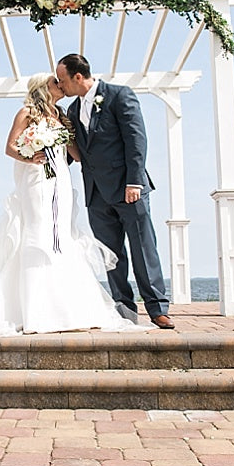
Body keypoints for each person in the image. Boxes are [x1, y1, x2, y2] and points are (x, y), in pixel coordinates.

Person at [0, 73, 143, 336]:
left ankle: (70, 306)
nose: (61, 85)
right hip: (37, 180)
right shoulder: (25, 113)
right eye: (54, 83)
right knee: (39, 233)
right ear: (42, 88)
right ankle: (35, 309)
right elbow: (10, 148)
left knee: (62, 235)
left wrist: (73, 140)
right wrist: (32, 155)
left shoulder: (63, 116)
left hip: (61, 181)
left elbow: (75, 154)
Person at [55, 53, 174, 329]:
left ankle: (157, 309)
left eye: (62, 81)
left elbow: (136, 139)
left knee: (143, 248)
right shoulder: (72, 110)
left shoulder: (120, 95)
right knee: (111, 255)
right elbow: (76, 154)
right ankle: (124, 309)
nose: (60, 86)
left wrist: (135, 182)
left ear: (78, 77)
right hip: (96, 194)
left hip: (127, 188)